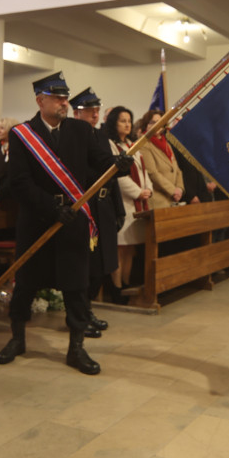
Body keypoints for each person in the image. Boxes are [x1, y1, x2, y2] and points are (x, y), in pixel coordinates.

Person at [0, 72, 132, 375]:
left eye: (65, 97)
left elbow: (99, 162)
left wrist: (119, 165)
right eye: (57, 97)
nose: (64, 103)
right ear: (40, 100)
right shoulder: (22, 134)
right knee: (26, 284)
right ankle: (17, 339)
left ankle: (76, 347)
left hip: (73, 220)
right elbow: (19, 183)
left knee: (76, 285)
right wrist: (51, 207)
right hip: (37, 221)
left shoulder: (80, 130)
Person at [70, 87, 124, 336]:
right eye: (89, 110)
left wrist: (118, 209)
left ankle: (88, 310)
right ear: (76, 113)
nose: (94, 114)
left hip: (105, 207)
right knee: (87, 266)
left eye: (96, 110)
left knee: (103, 264)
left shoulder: (102, 137)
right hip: (87, 208)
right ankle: (80, 315)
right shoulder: (71, 136)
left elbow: (111, 175)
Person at [104, 106, 152, 296]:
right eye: (122, 121)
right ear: (113, 123)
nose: (127, 124)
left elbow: (143, 171)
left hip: (138, 204)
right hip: (123, 202)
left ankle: (126, 283)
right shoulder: (110, 144)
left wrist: (148, 189)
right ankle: (116, 288)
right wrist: (138, 192)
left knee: (130, 249)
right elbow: (117, 176)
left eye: (129, 121)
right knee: (120, 249)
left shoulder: (132, 145)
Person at [137, 109, 184, 209]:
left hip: (172, 199)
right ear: (146, 125)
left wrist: (179, 188)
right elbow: (152, 173)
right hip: (158, 200)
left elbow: (177, 169)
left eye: (159, 122)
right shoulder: (144, 144)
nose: (157, 125)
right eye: (152, 122)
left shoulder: (166, 143)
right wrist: (173, 190)